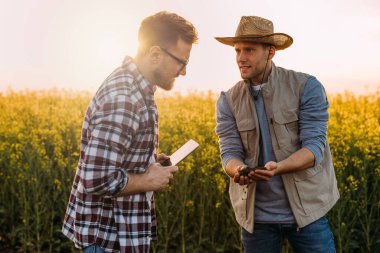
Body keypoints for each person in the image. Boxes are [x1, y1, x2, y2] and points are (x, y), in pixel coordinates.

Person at [62, 11, 198, 253]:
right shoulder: (125, 98)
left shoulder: (135, 87)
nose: (183, 71)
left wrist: (149, 161)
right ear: (155, 53)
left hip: (115, 236)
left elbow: (113, 155)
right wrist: (148, 179)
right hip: (109, 240)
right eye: (182, 62)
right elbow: (96, 178)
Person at [215, 16, 339, 252]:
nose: (241, 58)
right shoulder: (228, 100)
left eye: (249, 50)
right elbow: (229, 152)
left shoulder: (306, 87)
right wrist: (238, 170)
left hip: (306, 214)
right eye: (238, 50)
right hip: (257, 220)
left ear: (270, 52)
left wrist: (278, 167)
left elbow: (314, 149)